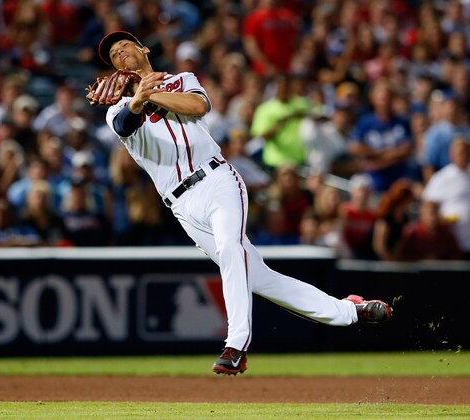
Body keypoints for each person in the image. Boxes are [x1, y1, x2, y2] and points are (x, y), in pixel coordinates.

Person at [97, 31, 393, 376]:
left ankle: (235, 345)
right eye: (114, 55)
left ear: (143, 49)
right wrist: (137, 100)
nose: (120, 53)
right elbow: (124, 125)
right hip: (181, 207)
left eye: (125, 46)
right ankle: (350, 311)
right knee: (259, 278)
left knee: (230, 248)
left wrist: (152, 93)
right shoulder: (118, 107)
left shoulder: (181, 80)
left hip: (217, 180)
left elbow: (198, 107)